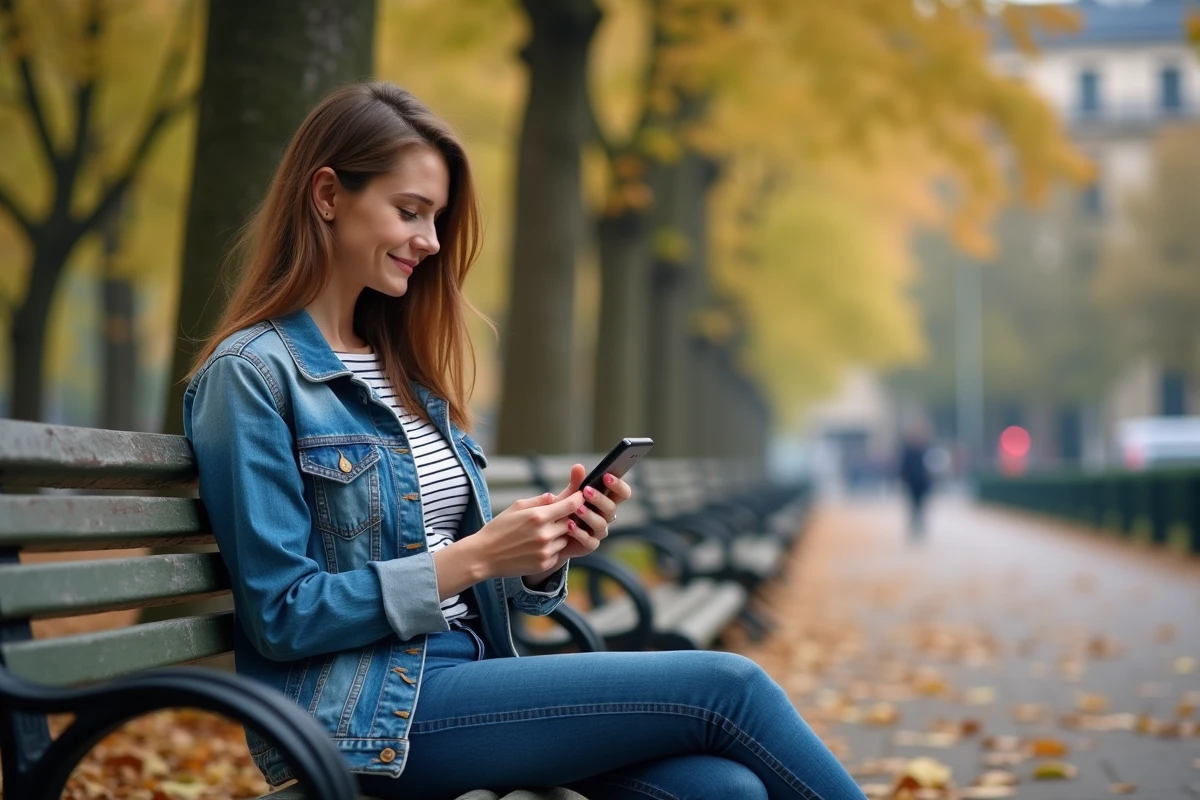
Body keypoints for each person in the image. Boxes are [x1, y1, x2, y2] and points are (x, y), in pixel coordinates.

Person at [182, 80, 866, 800]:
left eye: (437, 217)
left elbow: (476, 584)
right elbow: (284, 614)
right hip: (366, 719)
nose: (431, 241)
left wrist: (540, 556)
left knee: (723, 790)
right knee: (729, 685)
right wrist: (475, 556)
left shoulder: (404, 373)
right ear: (327, 195)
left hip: (469, 676)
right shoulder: (252, 378)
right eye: (409, 211)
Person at [897, 424, 933, 541]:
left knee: (921, 506)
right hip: (911, 483)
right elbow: (903, 466)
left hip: (922, 483)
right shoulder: (908, 449)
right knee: (912, 506)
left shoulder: (925, 448)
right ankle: (914, 527)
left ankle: (920, 527)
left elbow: (930, 465)